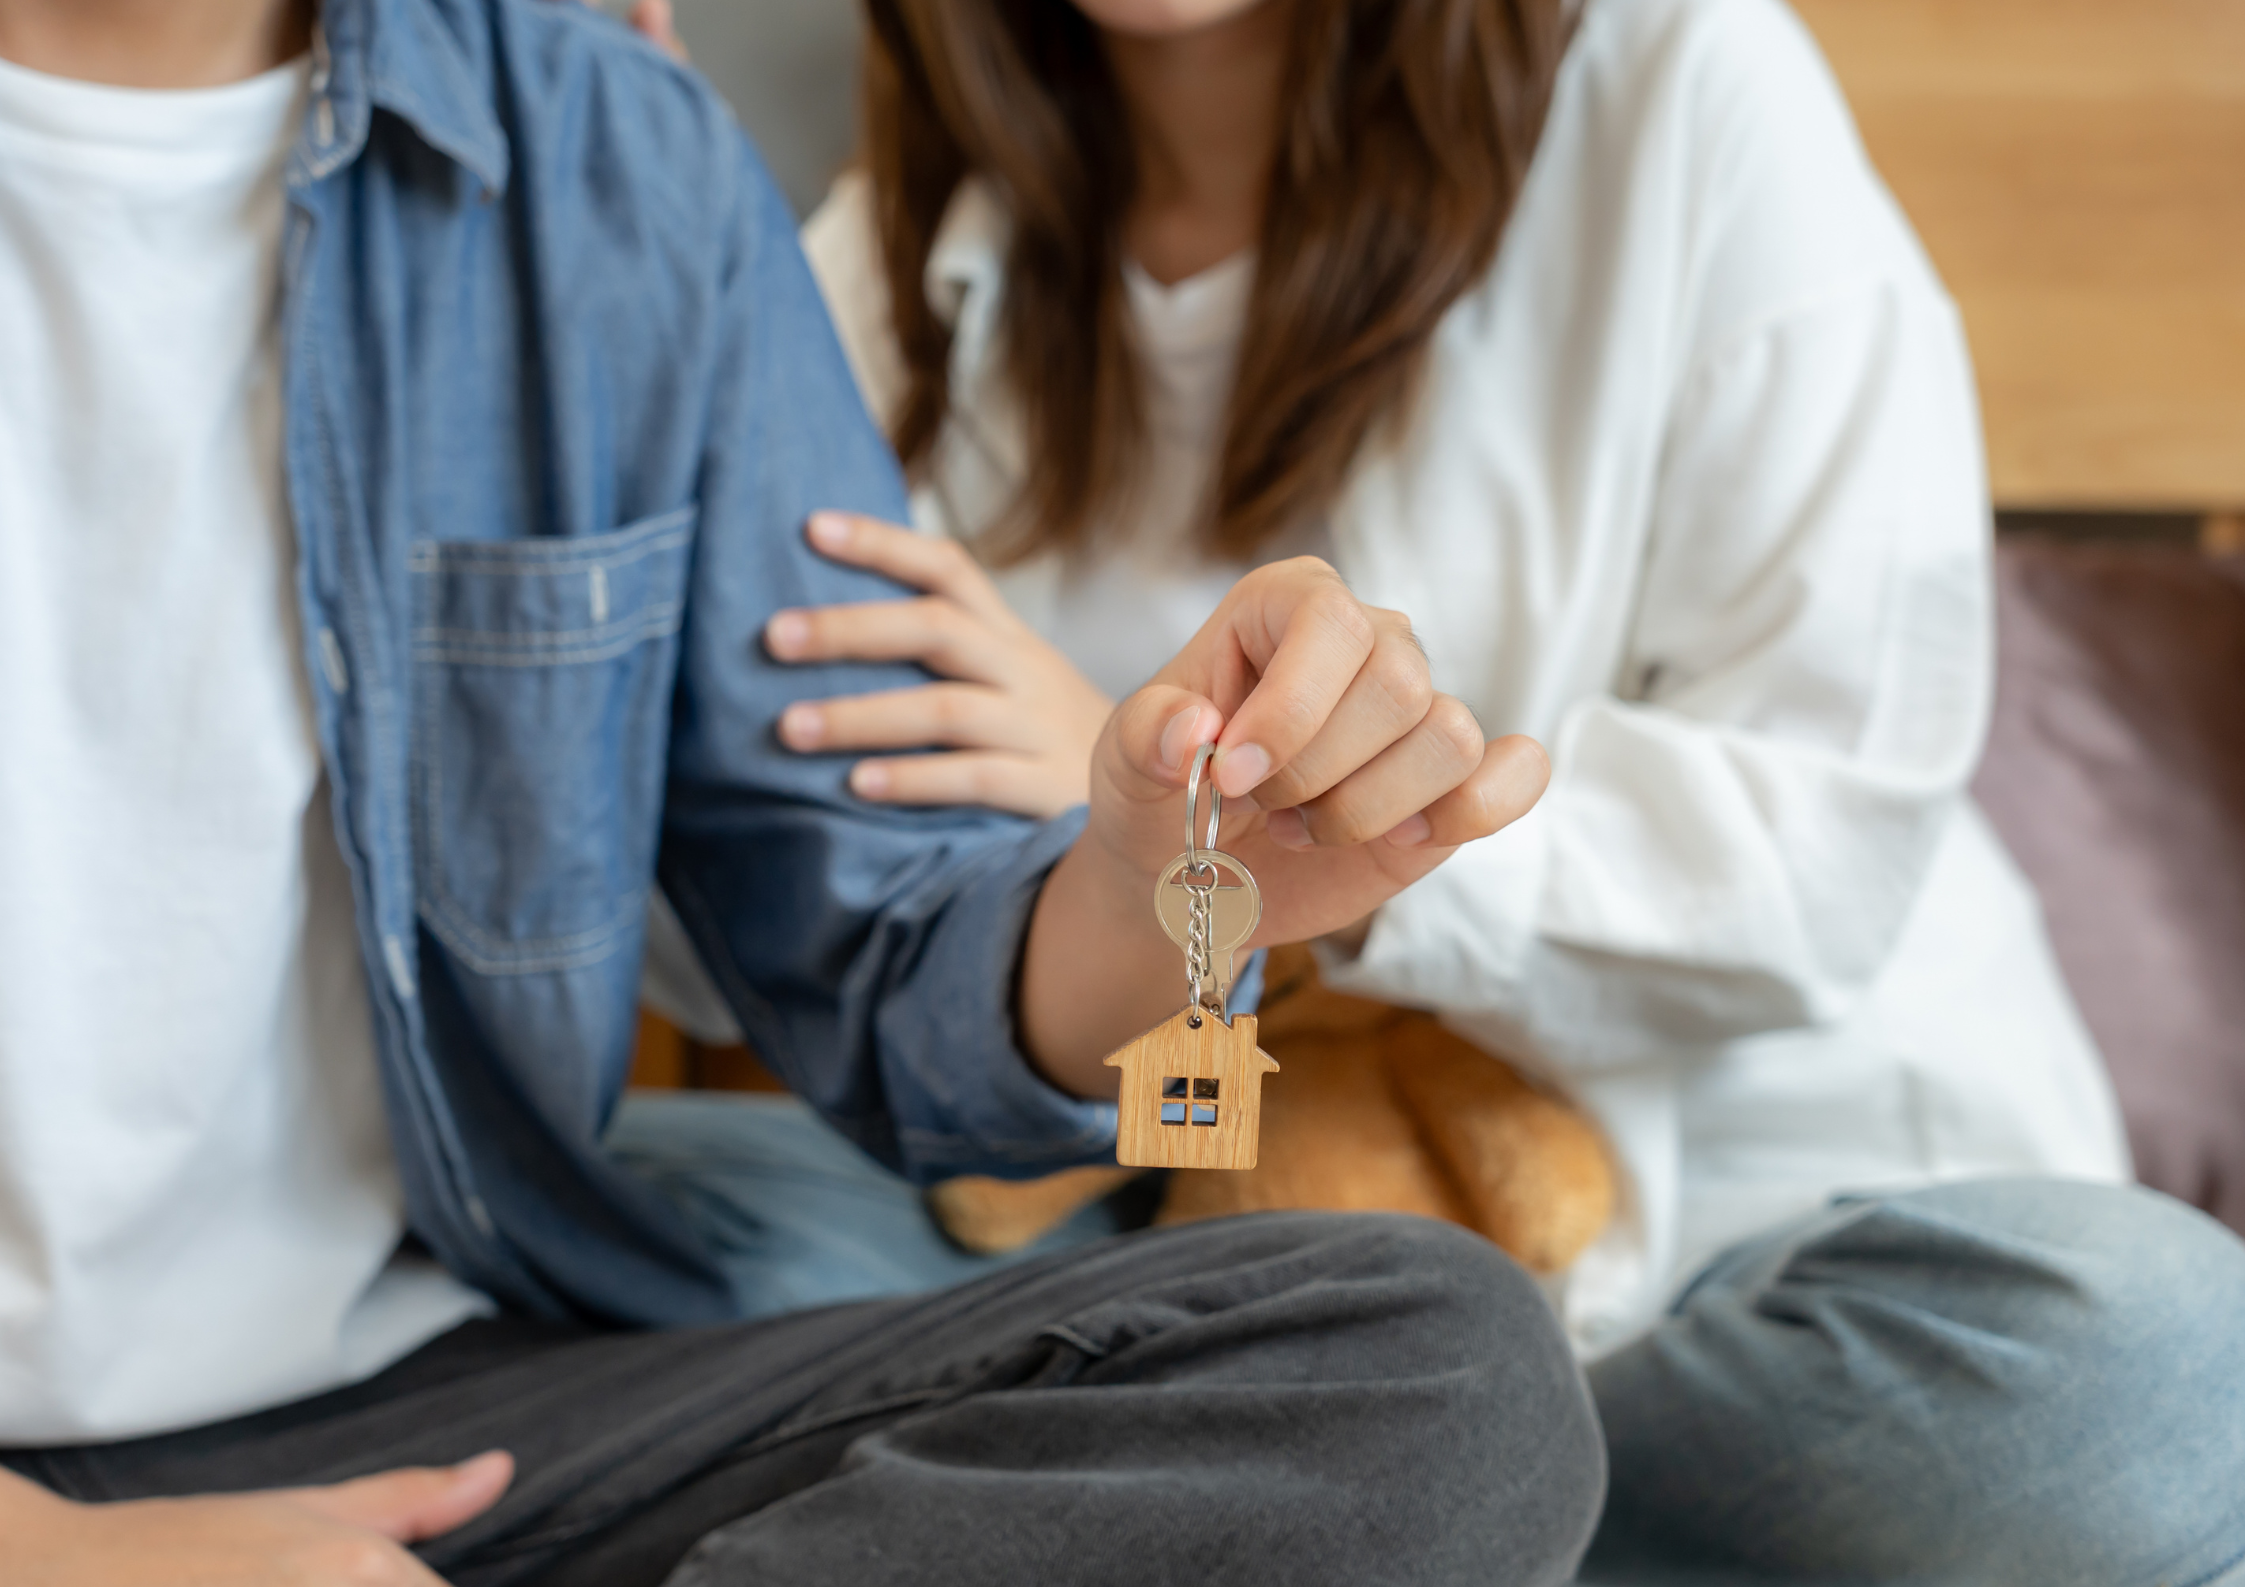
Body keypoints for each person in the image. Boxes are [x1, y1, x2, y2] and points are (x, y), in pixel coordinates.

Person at [0, 0, 1605, 1583]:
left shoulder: (611, 153)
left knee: (1441, 1380)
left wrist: (1150, 880)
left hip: (420, 1407)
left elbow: (886, 962)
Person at [649, 0, 2245, 1577]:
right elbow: (706, 916)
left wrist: (1245, 842)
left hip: (1742, 1249)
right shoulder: (873, 262)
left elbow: (1817, 848)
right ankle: (1397, 1514)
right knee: (626, 1231)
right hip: (1187, 1281)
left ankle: (1378, 1520)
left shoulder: (1682, 84)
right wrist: (616, 369)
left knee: (2156, 1381)